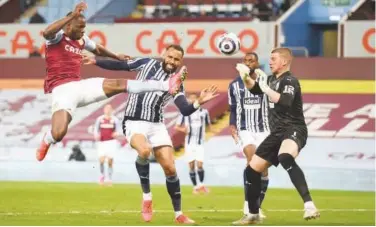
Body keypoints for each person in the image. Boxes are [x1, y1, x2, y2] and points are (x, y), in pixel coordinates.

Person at [83, 44, 219, 224]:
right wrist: (95, 61)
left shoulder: (177, 83)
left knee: (170, 168)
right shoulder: (146, 63)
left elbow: (185, 110)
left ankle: (179, 214)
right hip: (133, 121)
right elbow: (121, 65)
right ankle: (147, 198)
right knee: (145, 151)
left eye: (176, 59)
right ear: (164, 54)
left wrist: (199, 102)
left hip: (156, 125)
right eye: (170, 57)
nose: (172, 61)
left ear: (181, 62)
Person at [36, 2, 184, 162]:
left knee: (119, 85)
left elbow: (97, 49)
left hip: (80, 86)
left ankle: (165, 84)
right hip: (63, 90)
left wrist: (115, 56)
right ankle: (47, 140)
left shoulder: (81, 39)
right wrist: (72, 14)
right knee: (58, 134)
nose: (83, 31)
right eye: (80, 27)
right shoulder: (57, 37)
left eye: (84, 28)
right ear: (68, 26)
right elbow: (46, 32)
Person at [234, 47, 320, 224]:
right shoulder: (271, 79)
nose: (270, 61)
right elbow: (255, 89)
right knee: (251, 170)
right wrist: (246, 78)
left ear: (285, 62)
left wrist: (265, 88)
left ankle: (309, 205)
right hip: (276, 133)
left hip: (294, 128)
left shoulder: (290, 80)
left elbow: (285, 101)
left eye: (274, 58)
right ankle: (253, 214)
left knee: (285, 157)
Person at [229, 52, 270, 224]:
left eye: (251, 60)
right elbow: (232, 108)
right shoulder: (233, 85)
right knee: (252, 162)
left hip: (264, 129)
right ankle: (248, 207)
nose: (248, 63)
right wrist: (232, 126)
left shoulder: (264, 81)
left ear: (257, 63)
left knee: (263, 170)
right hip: (245, 128)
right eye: (245, 60)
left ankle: (256, 206)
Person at [174, 93, 211, 195]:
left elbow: (209, 126)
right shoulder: (184, 113)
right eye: (191, 99)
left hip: (200, 142)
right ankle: (195, 187)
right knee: (191, 165)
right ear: (188, 100)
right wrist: (183, 129)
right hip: (189, 143)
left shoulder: (204, 112)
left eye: (194, 98)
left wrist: (206, 135)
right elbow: (176, 126)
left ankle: (202, 185)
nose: (192, 100)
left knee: (199, 165)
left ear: (197, 99)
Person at [93, 104, 121, 185]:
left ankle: (109, 178)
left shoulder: (115, 120)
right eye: (106, 108)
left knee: (110, 161)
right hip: (102, 142)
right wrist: (96, 135)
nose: (108, 110)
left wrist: (116, 133)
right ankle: (102, 175)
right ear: (104, 110)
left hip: (111, 142)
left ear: (112, 110)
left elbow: (118, 130)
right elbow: (96, 129)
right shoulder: (100, 119)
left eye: (109, 108)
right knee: (101, 160)